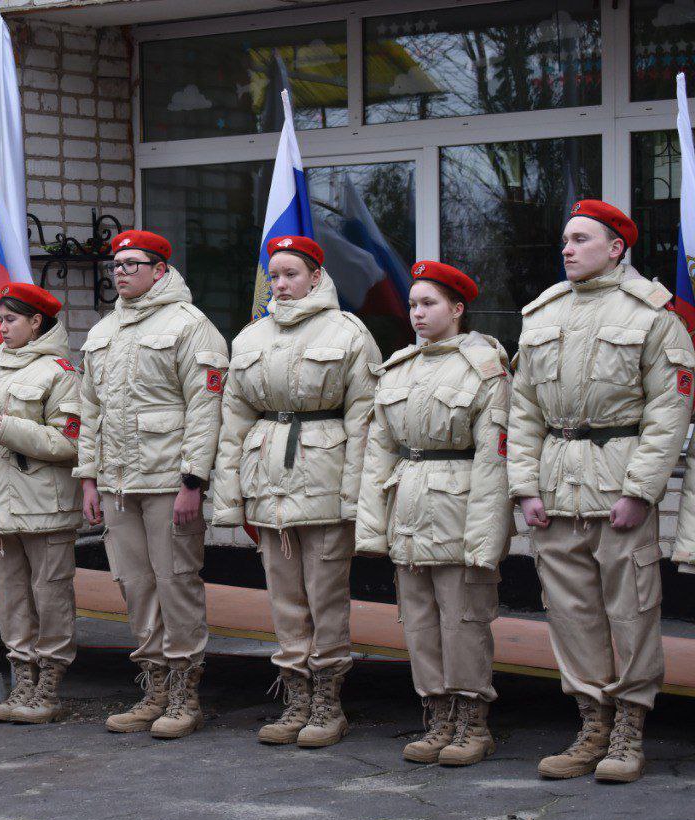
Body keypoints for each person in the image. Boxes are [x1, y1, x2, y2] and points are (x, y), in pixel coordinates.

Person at [509, 199, 695, 784]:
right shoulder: (541, 314)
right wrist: (524, 488)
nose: (567, 248)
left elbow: (670, 410)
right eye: (565, 239)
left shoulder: (653, 314)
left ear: (617, 247)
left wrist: (641, 490)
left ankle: (629, 728)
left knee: (631, 611)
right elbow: (523, 412)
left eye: (582, 239)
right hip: (556, 484)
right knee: (570, 613)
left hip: (618, 483)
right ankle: (591, 722)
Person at [210, 236, 380, 748]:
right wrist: (230, 497)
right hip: (269, 486)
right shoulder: (250, 338)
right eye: (274, 276)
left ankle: (327, 701)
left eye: (290, 274)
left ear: (314, 277)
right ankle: (296, 697)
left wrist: (355, 501)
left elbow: (365, 422)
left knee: (325, 597)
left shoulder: (349, 332)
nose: (280, 285)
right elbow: (233, 421)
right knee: (284, 599)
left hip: (323, 482)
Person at [74, 229, 228, 740]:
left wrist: (193, 481)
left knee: (176, 582)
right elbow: (89, 412)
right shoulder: (103, 332)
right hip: (118, 484)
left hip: (167, 481)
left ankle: (185, 695)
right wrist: (89, 480)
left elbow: (205, 412)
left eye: (132, 263)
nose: (119, 271)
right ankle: (154, 688)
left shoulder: (190, 326)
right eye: (115, 263)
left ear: (160, 269)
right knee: (135, 585)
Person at [356, 261, 511, 766]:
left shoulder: (484, 366)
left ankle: (471, 722)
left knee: (464, 620)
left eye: (430, 304)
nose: (417, 314)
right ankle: (437, 715)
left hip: (459, 509)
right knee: (419, 622)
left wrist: (485, 539)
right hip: (410, 508)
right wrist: (373, 528)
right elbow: (379, 453)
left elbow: (493, 460)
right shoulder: (400, 367)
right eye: (414, 304)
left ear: (457, 309)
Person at [0, 284, 81, 724]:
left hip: (44, 504)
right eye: (0, 318)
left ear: (36, 322)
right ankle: (21, 680)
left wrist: (5, 426)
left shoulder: (60, 371)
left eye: (11, 320)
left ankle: (49, 685)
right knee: (10, 597)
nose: (2, 327)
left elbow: (69, 440)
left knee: (51, 595)